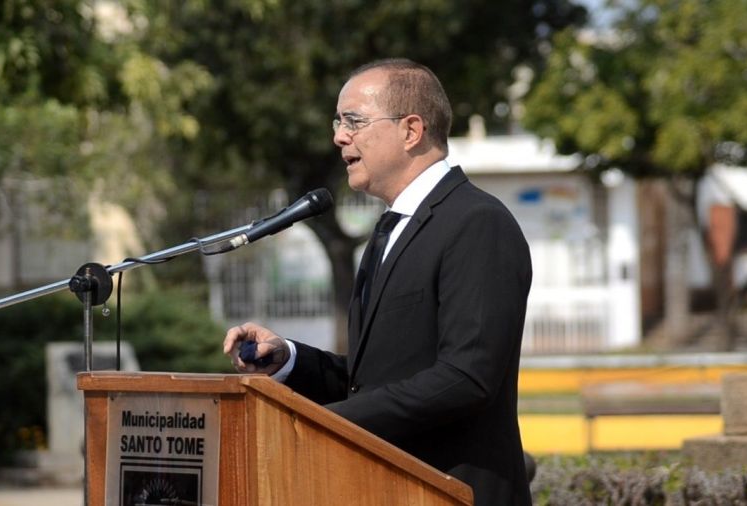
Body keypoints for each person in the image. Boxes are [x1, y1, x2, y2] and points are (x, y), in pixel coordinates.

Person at [223, 58, 533, 505]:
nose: (339, 136)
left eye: (354, 121)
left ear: (411, 131)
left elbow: (467, 378)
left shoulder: (477, 222)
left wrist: (324, 422)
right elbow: (374, 382)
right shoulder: (389, 231)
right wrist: (290, 359)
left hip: (453, 492)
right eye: (338, 122)